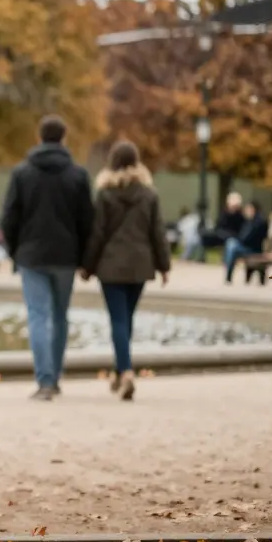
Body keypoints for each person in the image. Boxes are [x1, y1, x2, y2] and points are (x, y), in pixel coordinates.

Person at [0, 115, 95, 402]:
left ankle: (44, 380)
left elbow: (9, 217)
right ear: (64, 138)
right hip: (66, 255)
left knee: (38, 315)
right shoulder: (78, 175)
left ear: (38, 137)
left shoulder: (22, 173)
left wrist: (14, 250)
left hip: (31, 253)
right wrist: (85, 258)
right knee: (60, 316)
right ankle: (55, 374)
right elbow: (87, 221)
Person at [80, 142, 170, 402]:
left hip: (111, 265)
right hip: (141, 264)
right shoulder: (149, 194)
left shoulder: (105, 194)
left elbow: (97, 234)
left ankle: (126, 371)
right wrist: (164, 266)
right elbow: (157, 233)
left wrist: (87, 265)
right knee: (127, 318)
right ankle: (120, 371)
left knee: (118, 320)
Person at [223, 201, 267, 284]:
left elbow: (246, 238)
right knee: (231, 244)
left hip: (253, 249)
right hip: (247, 247)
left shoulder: (257, 222)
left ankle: (228, 274)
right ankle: (228, 272)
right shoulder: (249, 221)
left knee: (232, 246)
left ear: (253, 209)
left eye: (247, 209)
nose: (246, 211)